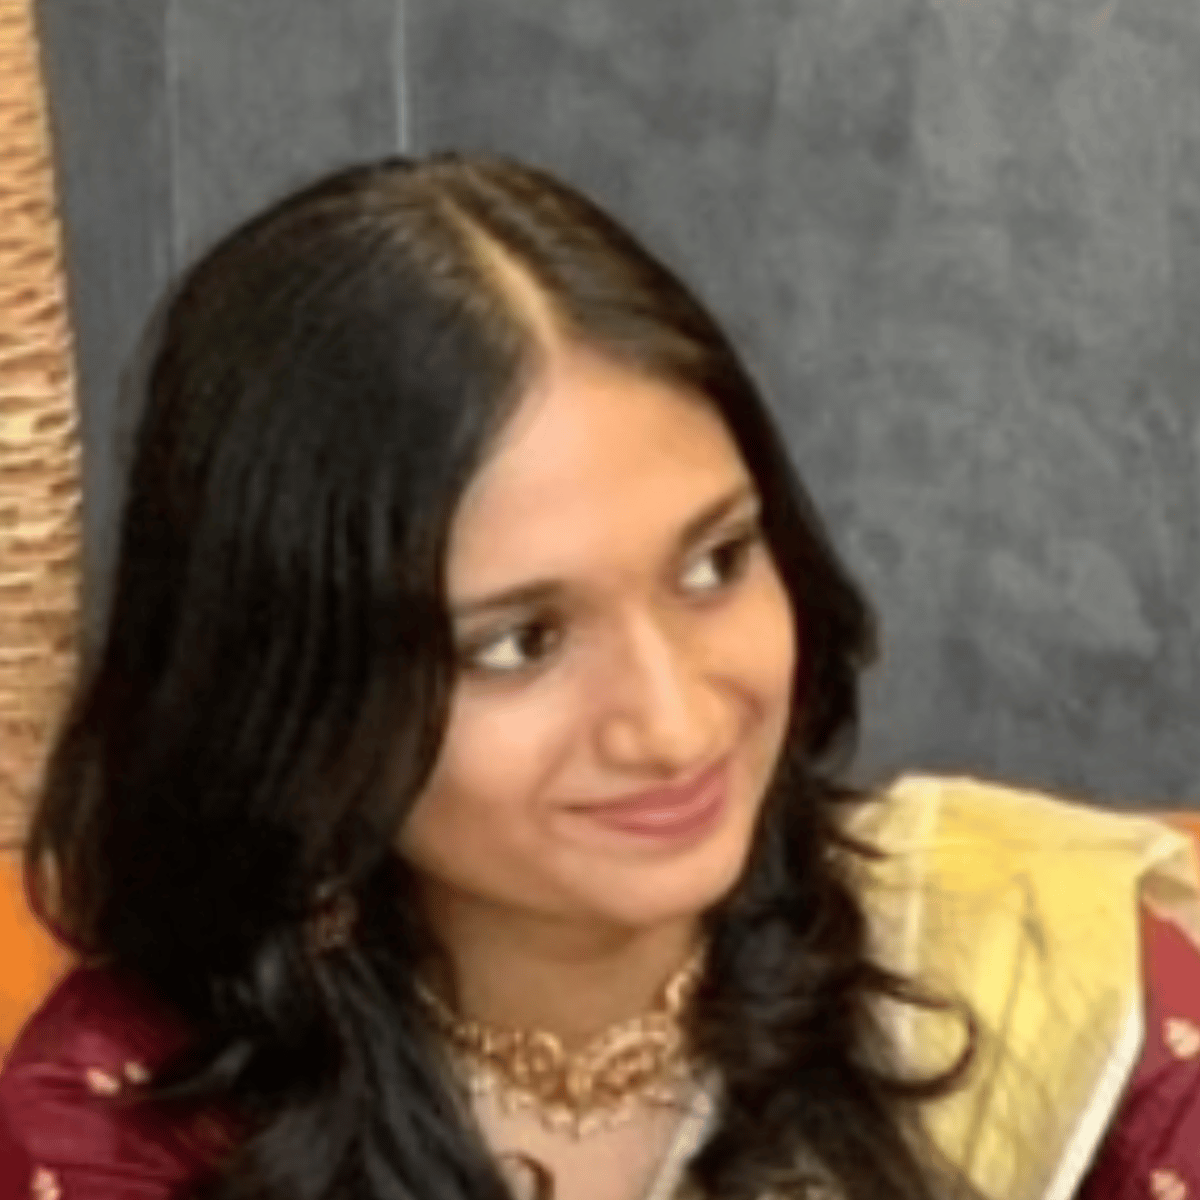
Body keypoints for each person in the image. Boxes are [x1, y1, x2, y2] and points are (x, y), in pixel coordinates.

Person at [0, 153, 1197, 1200]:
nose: (674, 725)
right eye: (521, 642)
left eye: (715, 565)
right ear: (296, 692)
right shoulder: (134, 1120)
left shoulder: (1049, 983)